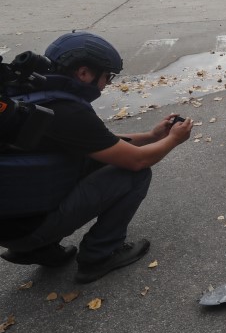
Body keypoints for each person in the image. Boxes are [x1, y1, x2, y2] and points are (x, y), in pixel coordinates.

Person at [0, 32, 193, 283]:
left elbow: (99, 143)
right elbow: (137, 160)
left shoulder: (28, 94)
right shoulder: (67, 111)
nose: (106, 84)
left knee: (95, 160)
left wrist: (151, 135)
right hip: (27, 229)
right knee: (135, 175)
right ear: (83, 73)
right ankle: (100, 254)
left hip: (11, 221)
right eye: (106, 76)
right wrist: (174, 139)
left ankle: (37, 249)